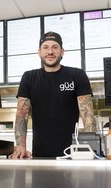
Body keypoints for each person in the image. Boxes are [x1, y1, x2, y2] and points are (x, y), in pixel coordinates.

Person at [9, 31, 96, 159]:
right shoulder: (29, 77)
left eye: (55, 47)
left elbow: (87, 115)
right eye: (45, 47)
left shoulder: (77, 76)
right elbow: (22, 116)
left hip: (72, 154)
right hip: (40, 154)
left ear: (62, 52)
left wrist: (90, 146)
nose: (50, 51)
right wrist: (20, 146)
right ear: (39, 52)